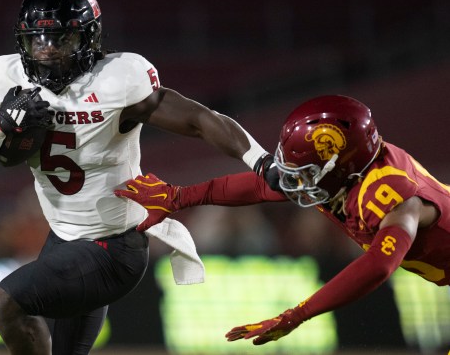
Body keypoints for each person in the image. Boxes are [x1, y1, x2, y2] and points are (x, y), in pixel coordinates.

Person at [0, 0, 273, 355]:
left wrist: (262, 161)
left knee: (5, 304)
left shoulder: (117, 81)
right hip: (63, 241)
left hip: (113, 247)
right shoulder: (8, 80)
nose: (47, 51)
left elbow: (200, 119)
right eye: (37, 40)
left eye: (61, 40)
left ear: (88, 39)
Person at [115, 94, 450, 346]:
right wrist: (178, 198)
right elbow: (265, 186)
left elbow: (379, 265)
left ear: (341, 166)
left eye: (303, 173)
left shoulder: (390, 195)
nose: (293, 181)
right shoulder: (347, 171)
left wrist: (297, 315)